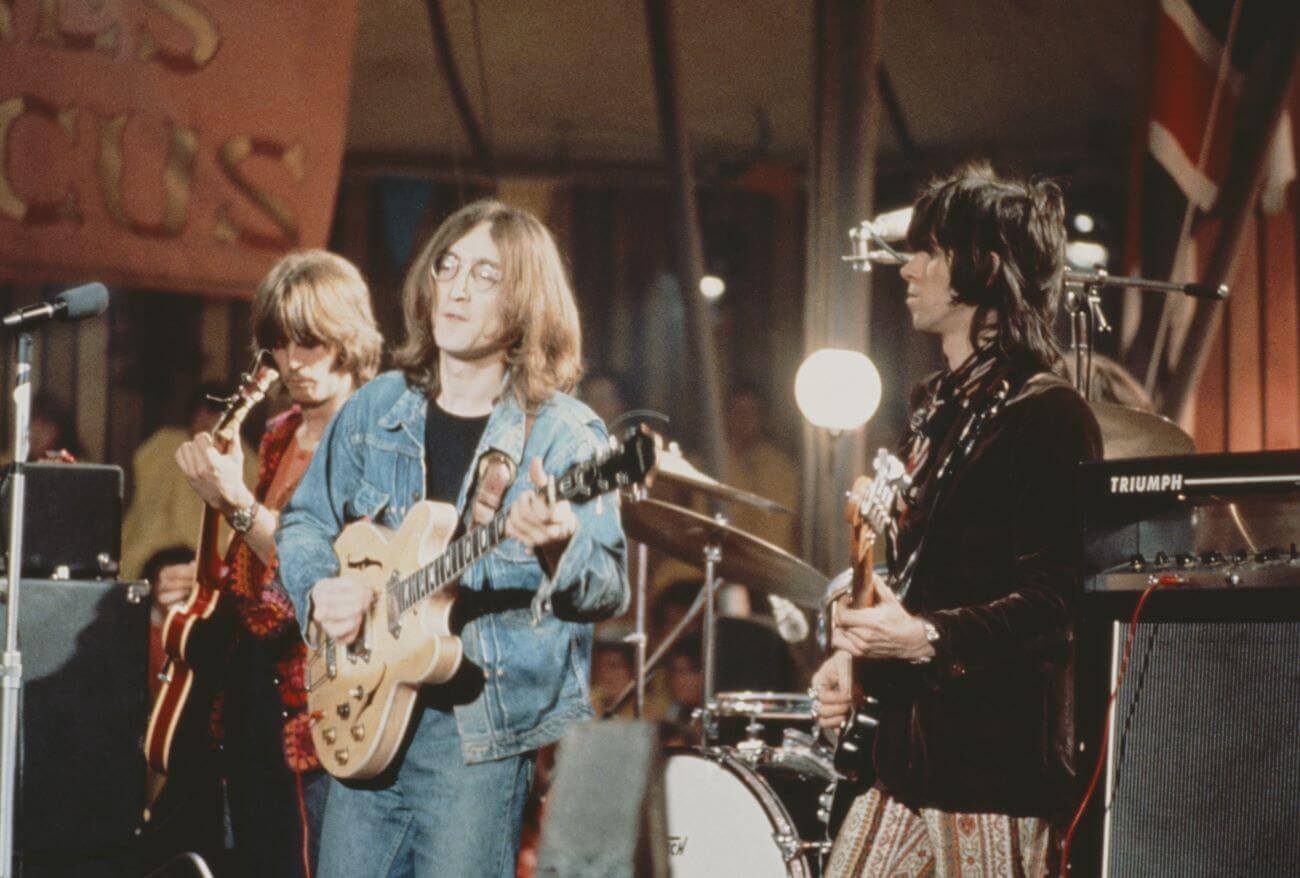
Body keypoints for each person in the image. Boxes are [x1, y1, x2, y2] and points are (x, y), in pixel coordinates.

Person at [276, 200, 629, 878]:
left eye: (486, 276)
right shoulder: (376, 407)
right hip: (364, 708)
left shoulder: (565, 435)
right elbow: (306, 522)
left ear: (526, 304)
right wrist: (322, 588)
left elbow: (607, 585)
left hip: (477, 735)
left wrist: (557, 541)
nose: (457, 288)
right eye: (448, 266)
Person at [811, 165, 1102, 877]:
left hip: (992, 770)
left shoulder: (1049, 416)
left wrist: (927, 637)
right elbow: (922, 577)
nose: (908, 268)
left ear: (984, 268)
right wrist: (857, 650)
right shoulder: (936, 407)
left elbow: (1057, 598)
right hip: (907, 756)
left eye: (930, 253)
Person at [162, 250, 383, 876]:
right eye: (281, 345)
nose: (294, 363)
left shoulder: (376, 434)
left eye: (311, 342)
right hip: (256, 695)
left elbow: (324, 577)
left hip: (328, 700)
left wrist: (235, 502)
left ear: (349, 338)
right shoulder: (283, 430)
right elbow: (262, 571)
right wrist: (212, 583)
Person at [120, 383, 259, 580]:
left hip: (211, 552)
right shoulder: (163, 444)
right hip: (155, 548)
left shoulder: (246, 459)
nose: (203, 418)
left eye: (212, 412)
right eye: (198, 412)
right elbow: (146, 502)